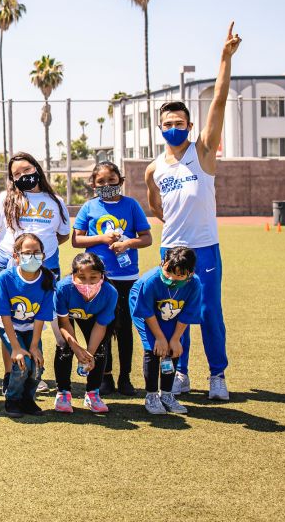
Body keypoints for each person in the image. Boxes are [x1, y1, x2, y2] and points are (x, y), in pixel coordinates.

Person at [144, 22, 242, 401]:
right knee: (172, 314)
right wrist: (164, 218)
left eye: (180, 123)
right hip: (171, 250)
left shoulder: (202, 153)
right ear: (160, 128)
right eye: (167, 124)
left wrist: (224, 58)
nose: (174, 128)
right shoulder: (155, 168)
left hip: (204, 248)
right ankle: (181, 374)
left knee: (210, 314)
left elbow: (218, 101)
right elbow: (154, 201)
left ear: (189, 126)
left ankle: (218, 376)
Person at [0, 151, 69, 389]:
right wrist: (12, 251)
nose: (23, 175)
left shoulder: (55, 201)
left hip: (47, 266)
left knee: (38, 317)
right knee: (9, 318)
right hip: (11, 266)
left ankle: (33, 369)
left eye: (27, 170)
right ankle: (12, 373)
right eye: (16, 174)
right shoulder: (5, 198)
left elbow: (63, 234)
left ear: (37, 169)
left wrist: (40, 253)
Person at [71, 161, 153, 397]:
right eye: (101, 182)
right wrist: (102, 238)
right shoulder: (89, 207)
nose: (107, 185)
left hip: (127, 276)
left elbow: (146, 238)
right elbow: (77, 240)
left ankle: (124, 377)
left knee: (125, 328)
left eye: (112, 180)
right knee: (102, 327)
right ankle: (104, 376)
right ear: (93, 184)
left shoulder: (131, 205)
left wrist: (127, 243)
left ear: (121, 181)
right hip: (97, 280)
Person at [0, 233, 54, 417]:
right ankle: (13, 399)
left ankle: (28, 399)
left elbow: (41, 316)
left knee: (37, 363)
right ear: (16, 257)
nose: (32, 257)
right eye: (26, 253)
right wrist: (15, 347)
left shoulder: (48, 279)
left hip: (31, 327)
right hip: (8, 326)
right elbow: (4, 315)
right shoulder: (6, 278)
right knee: (22, 361)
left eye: (36, 252)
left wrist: (34, 345)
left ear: (43, 255)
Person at [131, 247, 203, 415]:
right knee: (154, 348)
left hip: (173, 312)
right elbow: (146, 311)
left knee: (173, 349)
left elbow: (188, 313)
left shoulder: (194, 284)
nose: (171, 278)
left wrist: (175, 338)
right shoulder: (150, 281)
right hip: (145, 311)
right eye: (168, 271)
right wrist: (159, 337)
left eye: (179, 275)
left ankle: (167, 394)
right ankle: (151, 395)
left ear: (190, 274)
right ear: (162, 263)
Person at [52, 253, 118, 414]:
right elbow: (63, 323)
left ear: (102, 276)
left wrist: (89, 354)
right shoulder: (63, 288)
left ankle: (93, 393)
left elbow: (101, 326)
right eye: (81, 277)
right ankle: (63, 393)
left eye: (93, 277)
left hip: (94, 318)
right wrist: (76, 348)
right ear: (73, 275)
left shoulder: (110, 292)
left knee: (100, 349)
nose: (87, 283)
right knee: (64, 346)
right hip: (67, 318)